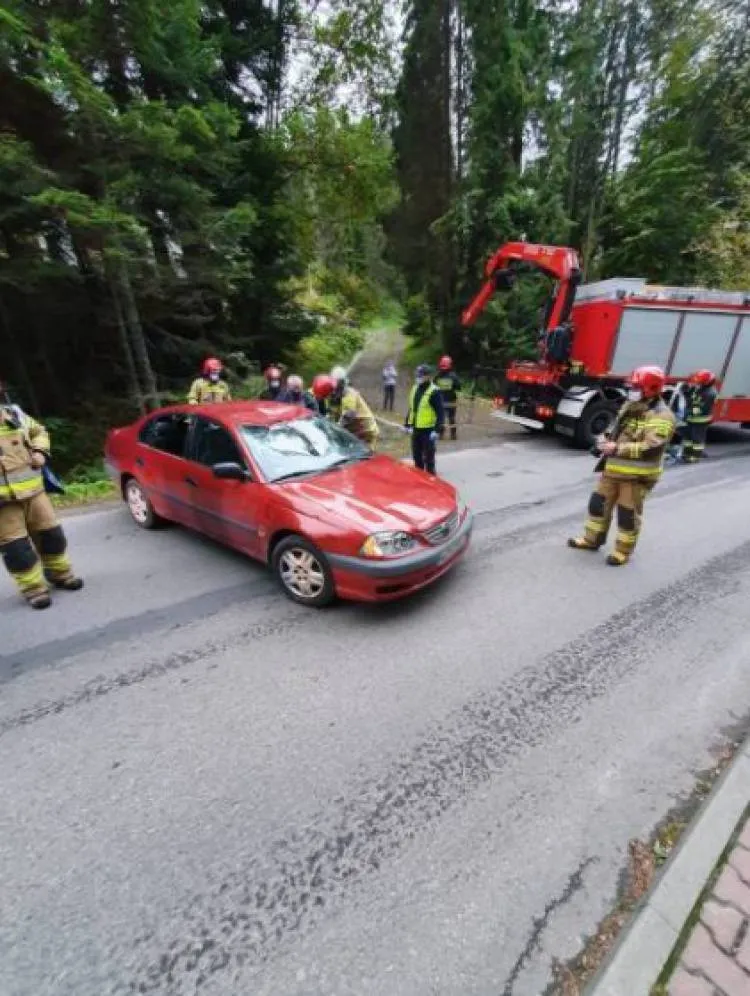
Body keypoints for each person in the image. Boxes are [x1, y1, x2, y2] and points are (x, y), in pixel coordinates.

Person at [567, 365, 675, 566]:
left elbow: (651, 447)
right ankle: (591, 540)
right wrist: (604, 440)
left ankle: (622, 551)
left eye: (637, 387)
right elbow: (616, 429)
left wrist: (617, 448)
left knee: (627, 515)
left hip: (636, 477)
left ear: (651, 388)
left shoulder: (661, 416)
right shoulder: (630, 406)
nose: (632, 390)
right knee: (597, 506)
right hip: (613, 470)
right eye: (632, 386)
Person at [0, 392, 83, 609]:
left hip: (35, 492)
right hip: (3, 504)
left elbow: (39, 432)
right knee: (17, 549)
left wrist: (39, 452)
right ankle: (33, 589)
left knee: (51, 535)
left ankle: (61, 574)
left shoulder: (14, 415)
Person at [404, 365, 445, 475]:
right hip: (416, 430)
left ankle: (431, 481)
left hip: (428, 431)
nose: (418, 377)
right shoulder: (415, 388)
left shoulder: (434, 392)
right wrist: (407, 424)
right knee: (417, 459)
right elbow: (412, 408)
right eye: (417, 375)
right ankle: (420, 482)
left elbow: (440, 413)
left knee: (429, 460)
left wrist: (437, 430)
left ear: (428, 376)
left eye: (421, 375)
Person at [328, 366, 379, 449]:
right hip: (355, 431)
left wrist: (334, 429)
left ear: (342, 382)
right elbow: (333, 414)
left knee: (363, 454)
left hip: (366, 431)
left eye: (338, 383)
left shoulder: (349, 394)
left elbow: (348, 416)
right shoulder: (336, 396)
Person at [682, 369, 718, 463]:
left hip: (700, 421)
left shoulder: (710, 394)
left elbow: (702, 409)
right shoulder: (700, 388)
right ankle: (686, 454)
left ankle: (695, 457)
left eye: (700, 381)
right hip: (691, 419)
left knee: (697, 440)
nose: (697, 383)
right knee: (688, 439)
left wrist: (688, 412)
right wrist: (685, 391)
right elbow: (690, 399)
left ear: (706, 382)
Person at [434, 355, 461, 440]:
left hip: (441, 401)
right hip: (451, 401)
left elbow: (433, 387)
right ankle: (453, 434)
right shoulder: (454, 376)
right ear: (450, 365)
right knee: (452, 418)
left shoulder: (437, 376)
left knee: (441, 418)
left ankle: (441, 434)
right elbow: (458, 387)